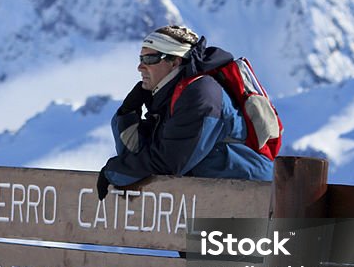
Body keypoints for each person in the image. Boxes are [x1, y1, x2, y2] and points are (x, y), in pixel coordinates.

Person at [96, 25, 274, 199]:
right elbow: (136, 156)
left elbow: (170, 162)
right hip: (219, 198)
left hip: (251, 200)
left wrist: (115, 171)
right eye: (140, 59)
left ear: (175, 61)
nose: (140, 67)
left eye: (149, 59)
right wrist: (127, 114)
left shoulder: (201, 94)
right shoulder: (169, 98)